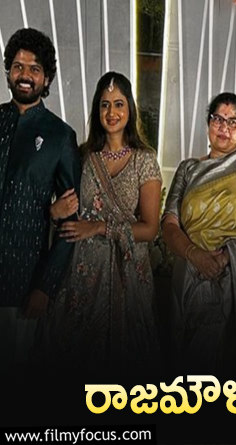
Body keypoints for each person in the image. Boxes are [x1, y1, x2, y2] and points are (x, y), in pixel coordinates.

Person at [45, 72, 161, 372]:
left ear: (130, 109)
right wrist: (53, 212)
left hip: (129, 271)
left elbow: (150, 229)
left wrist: (99, 227)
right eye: (105, 104)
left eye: (119, 104)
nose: (112, 112)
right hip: (83, 273)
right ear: (97, 110)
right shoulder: (82, 156)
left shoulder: (145, 160)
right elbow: (64, 209)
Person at [162, 93, 236, 373]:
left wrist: (226, 258)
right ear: (208, 124)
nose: (224, 127)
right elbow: (169, 224)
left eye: (233, 122)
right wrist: (195, 254)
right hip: (189, 278)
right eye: (218, 119)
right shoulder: (188, 169)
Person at [0, 28, 81, 373]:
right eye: (18, 66)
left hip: (21, 283)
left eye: (34, 69)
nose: (25, 75)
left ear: (46, 78)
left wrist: (45, 287)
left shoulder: (60, 136)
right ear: (8, 71)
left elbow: (71, 223)